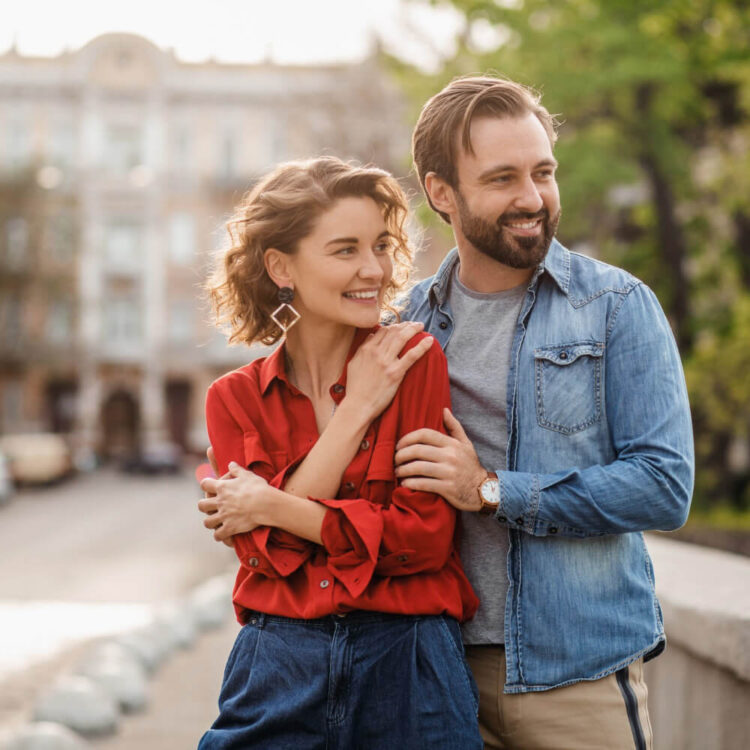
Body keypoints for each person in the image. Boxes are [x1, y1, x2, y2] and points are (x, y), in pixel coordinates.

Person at [392, 75, 694, 749]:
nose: (532, 198)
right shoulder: (404, 325)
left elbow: (664, 486)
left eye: (543, 172)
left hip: (577, 679)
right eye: (502, 178)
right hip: (437, 678)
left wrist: (491, 489)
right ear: (442, 193)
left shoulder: (616, 306)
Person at [195, 156, 483, 749]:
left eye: (381, 245)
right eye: (345, 249)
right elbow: (265, 556)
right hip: (278, 661)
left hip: (408, 659)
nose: (374, 269)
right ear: (282, 266)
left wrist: (274, 505)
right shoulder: (235, 399)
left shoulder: (412, 359)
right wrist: (356, 411)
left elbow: (424, 539)